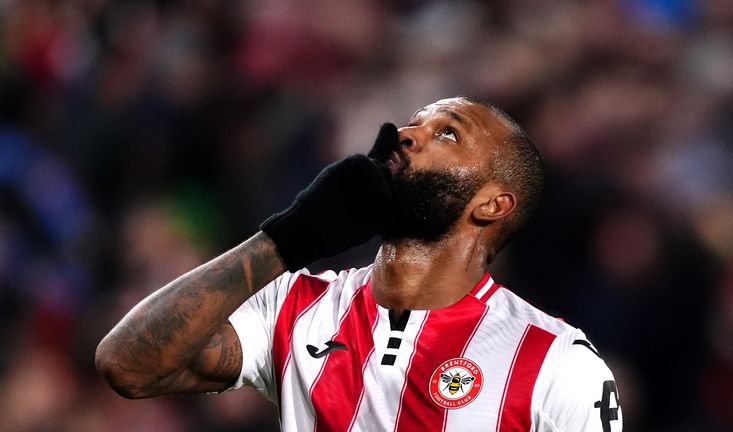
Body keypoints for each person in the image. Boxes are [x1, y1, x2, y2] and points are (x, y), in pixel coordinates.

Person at [95, 97, 623, 431]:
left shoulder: (557, 363)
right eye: (415, 123)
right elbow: (128, 365)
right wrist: (283, 241)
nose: (405, 135)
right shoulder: (295, 305)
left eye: (447, 133)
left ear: (492, 204)